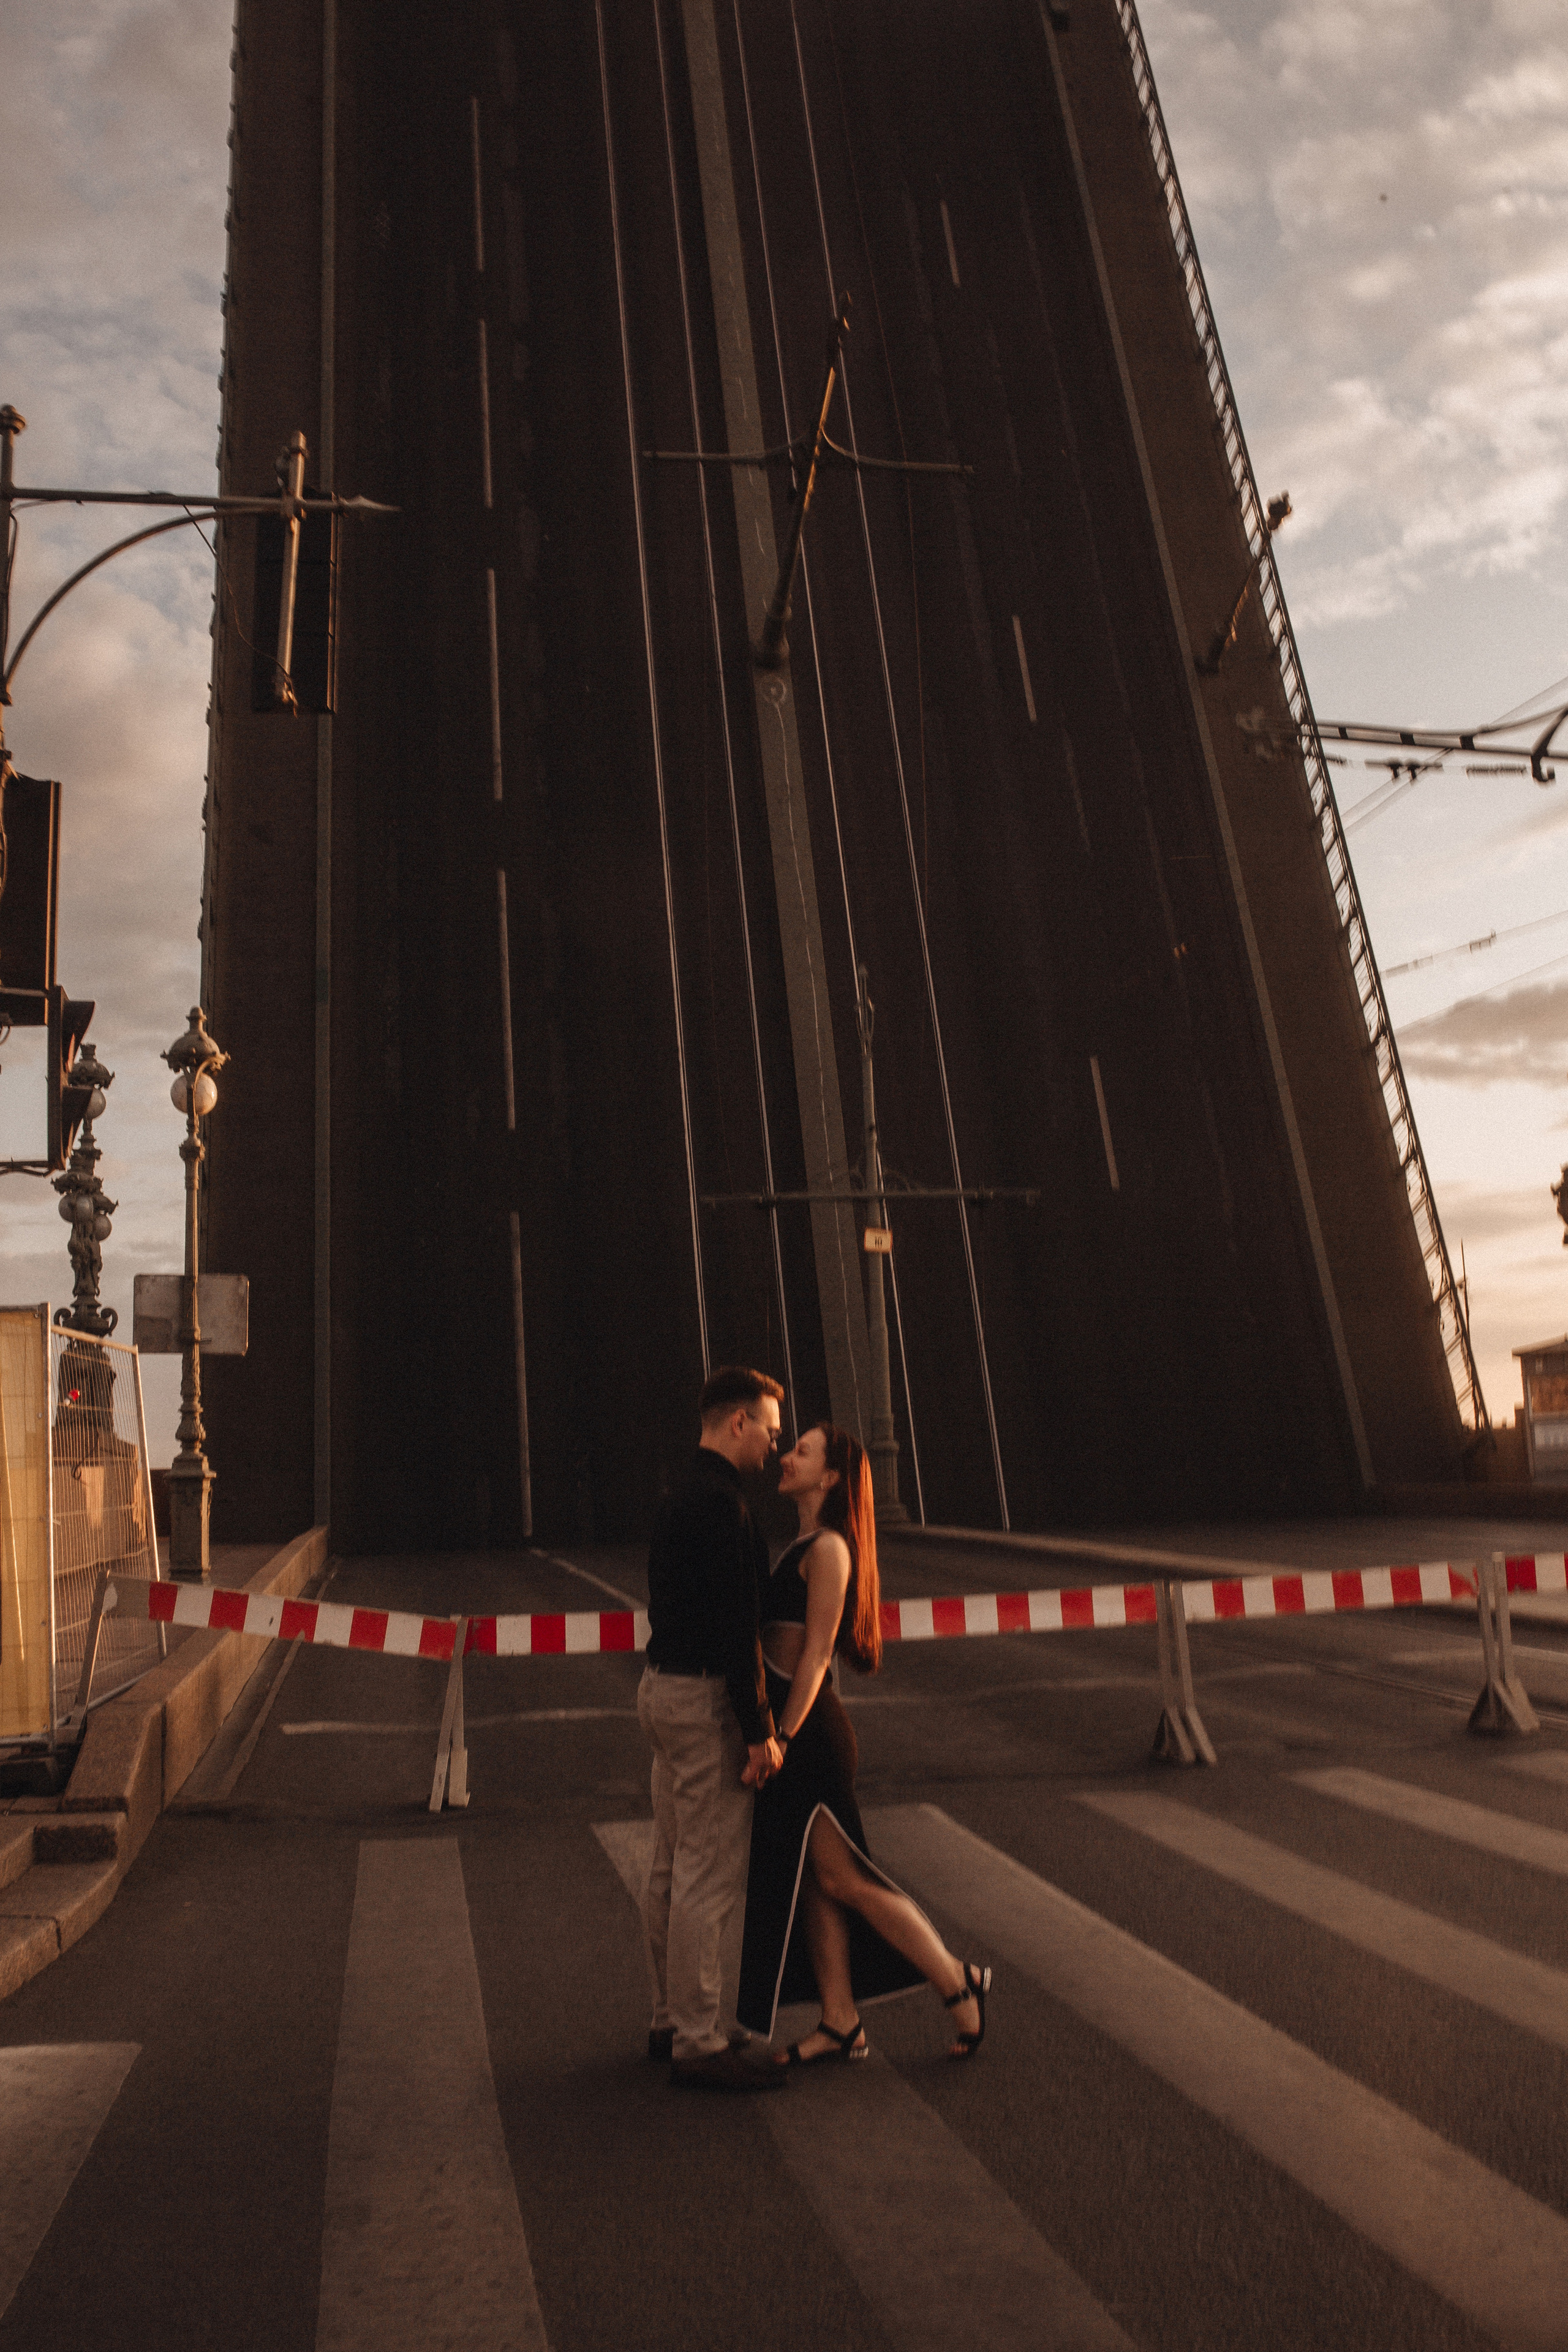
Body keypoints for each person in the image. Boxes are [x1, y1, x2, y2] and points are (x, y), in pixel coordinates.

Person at [736, 1422, 991, 2064]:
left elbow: (818, 1653)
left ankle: (955, 1981)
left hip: (810, 1736)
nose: (787, 1456)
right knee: (815, 1879)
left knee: (844, 1877)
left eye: (802, 1451)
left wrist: (783, 1737)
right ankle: (840, 2020)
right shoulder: (802, 1541)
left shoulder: (828, 1550)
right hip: (795, 1732)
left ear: (830, 1478)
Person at [638, 1365, 789, 2093]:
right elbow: (738, 1630)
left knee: (669, 1863)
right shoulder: (724, 1506)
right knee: (706, 1871)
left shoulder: (675, 1491)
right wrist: (759, 1730)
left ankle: (668, 2018)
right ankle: (701, 2040)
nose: (774, 1442)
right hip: (703, 1703)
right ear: (737, 1424)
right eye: (767, 1427)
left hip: (661, 1688)